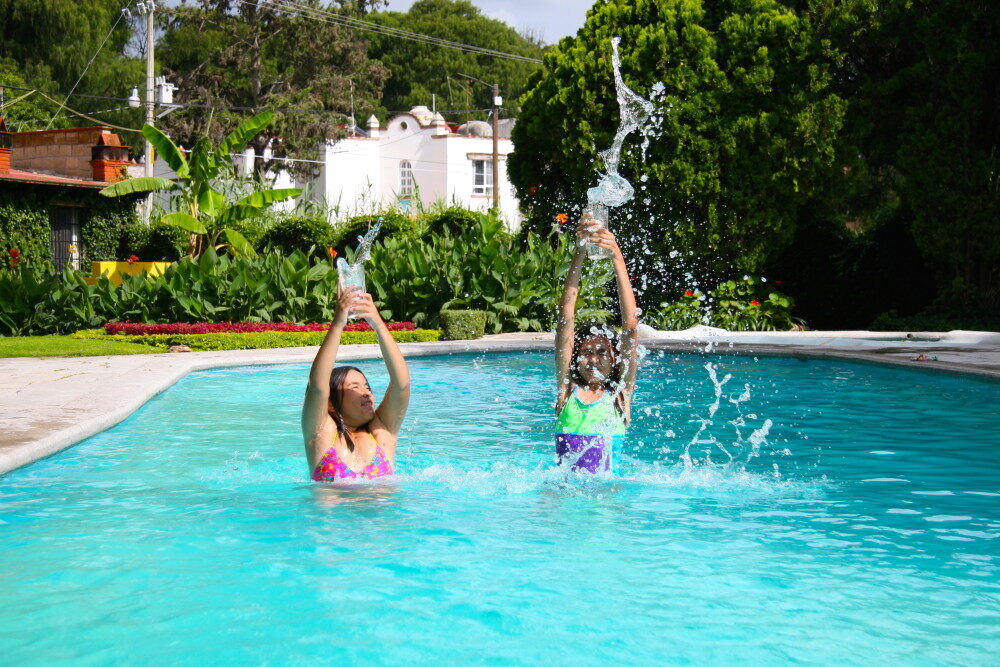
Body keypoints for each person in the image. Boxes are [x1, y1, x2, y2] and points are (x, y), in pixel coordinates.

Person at [554, 213, 639, 474]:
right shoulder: (566, 392)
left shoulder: (621, 395)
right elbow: (565, 319)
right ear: (575, 359)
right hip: (563, 495)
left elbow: (631, 327)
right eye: (586, 352)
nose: (593, 358)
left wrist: (617, 257)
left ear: (614, 359)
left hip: (606, 501)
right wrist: (579, 254)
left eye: (603, 352)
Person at [302, 284, 410, 481]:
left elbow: (401, 384)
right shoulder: (322, 434)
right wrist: (338, 324)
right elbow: (317, 387)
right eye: (354, 387)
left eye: (367, 387)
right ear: (331, 404)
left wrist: (377, 322)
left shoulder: (381, 431)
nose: (366, 392)